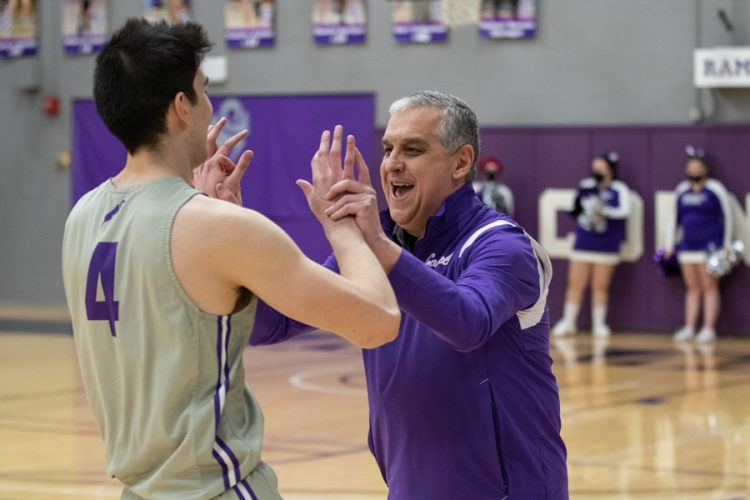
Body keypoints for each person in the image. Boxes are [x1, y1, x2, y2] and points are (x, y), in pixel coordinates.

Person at [61, 19, 400, 499]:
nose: (210, 106)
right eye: (202, 91)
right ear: (181, 107)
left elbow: (176, 301)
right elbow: (379, 321)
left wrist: (206, 215)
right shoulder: (216, 229)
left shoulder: (82, 217)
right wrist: (342, 228)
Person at [252, 91, 568, 499]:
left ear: (461, 162)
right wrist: (226, 232)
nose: (393, 163)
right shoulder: (373, 248)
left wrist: (377, 246)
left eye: (413, 149)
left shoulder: (503, 245)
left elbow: (468, 322)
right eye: (388, 149)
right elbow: (271, 324)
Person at [552, 152, 631, 338]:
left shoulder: (619, 188)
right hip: (584, 240)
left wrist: (605, 212)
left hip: (607, 243)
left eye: (601, 168)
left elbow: (625, 211)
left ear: (610, 169)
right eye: (595, 168)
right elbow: (573, 207)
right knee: (575, 283)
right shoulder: (585, 186)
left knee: (600, 285)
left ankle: (599, 324)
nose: (597, 171)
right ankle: (569, 322)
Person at [665, 146, 733, 343]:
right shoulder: (681, 190)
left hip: (711, 246)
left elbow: (728, 216)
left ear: (705, 169)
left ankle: (708, 328)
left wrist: (726, 245)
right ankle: (689, 326)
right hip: (688, 246)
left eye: (697, 167)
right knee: (692, 287)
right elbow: (674, 219)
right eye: (690, 167)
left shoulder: (715, 189)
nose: (694, 170)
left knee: (709, 285)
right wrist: (670, 245)